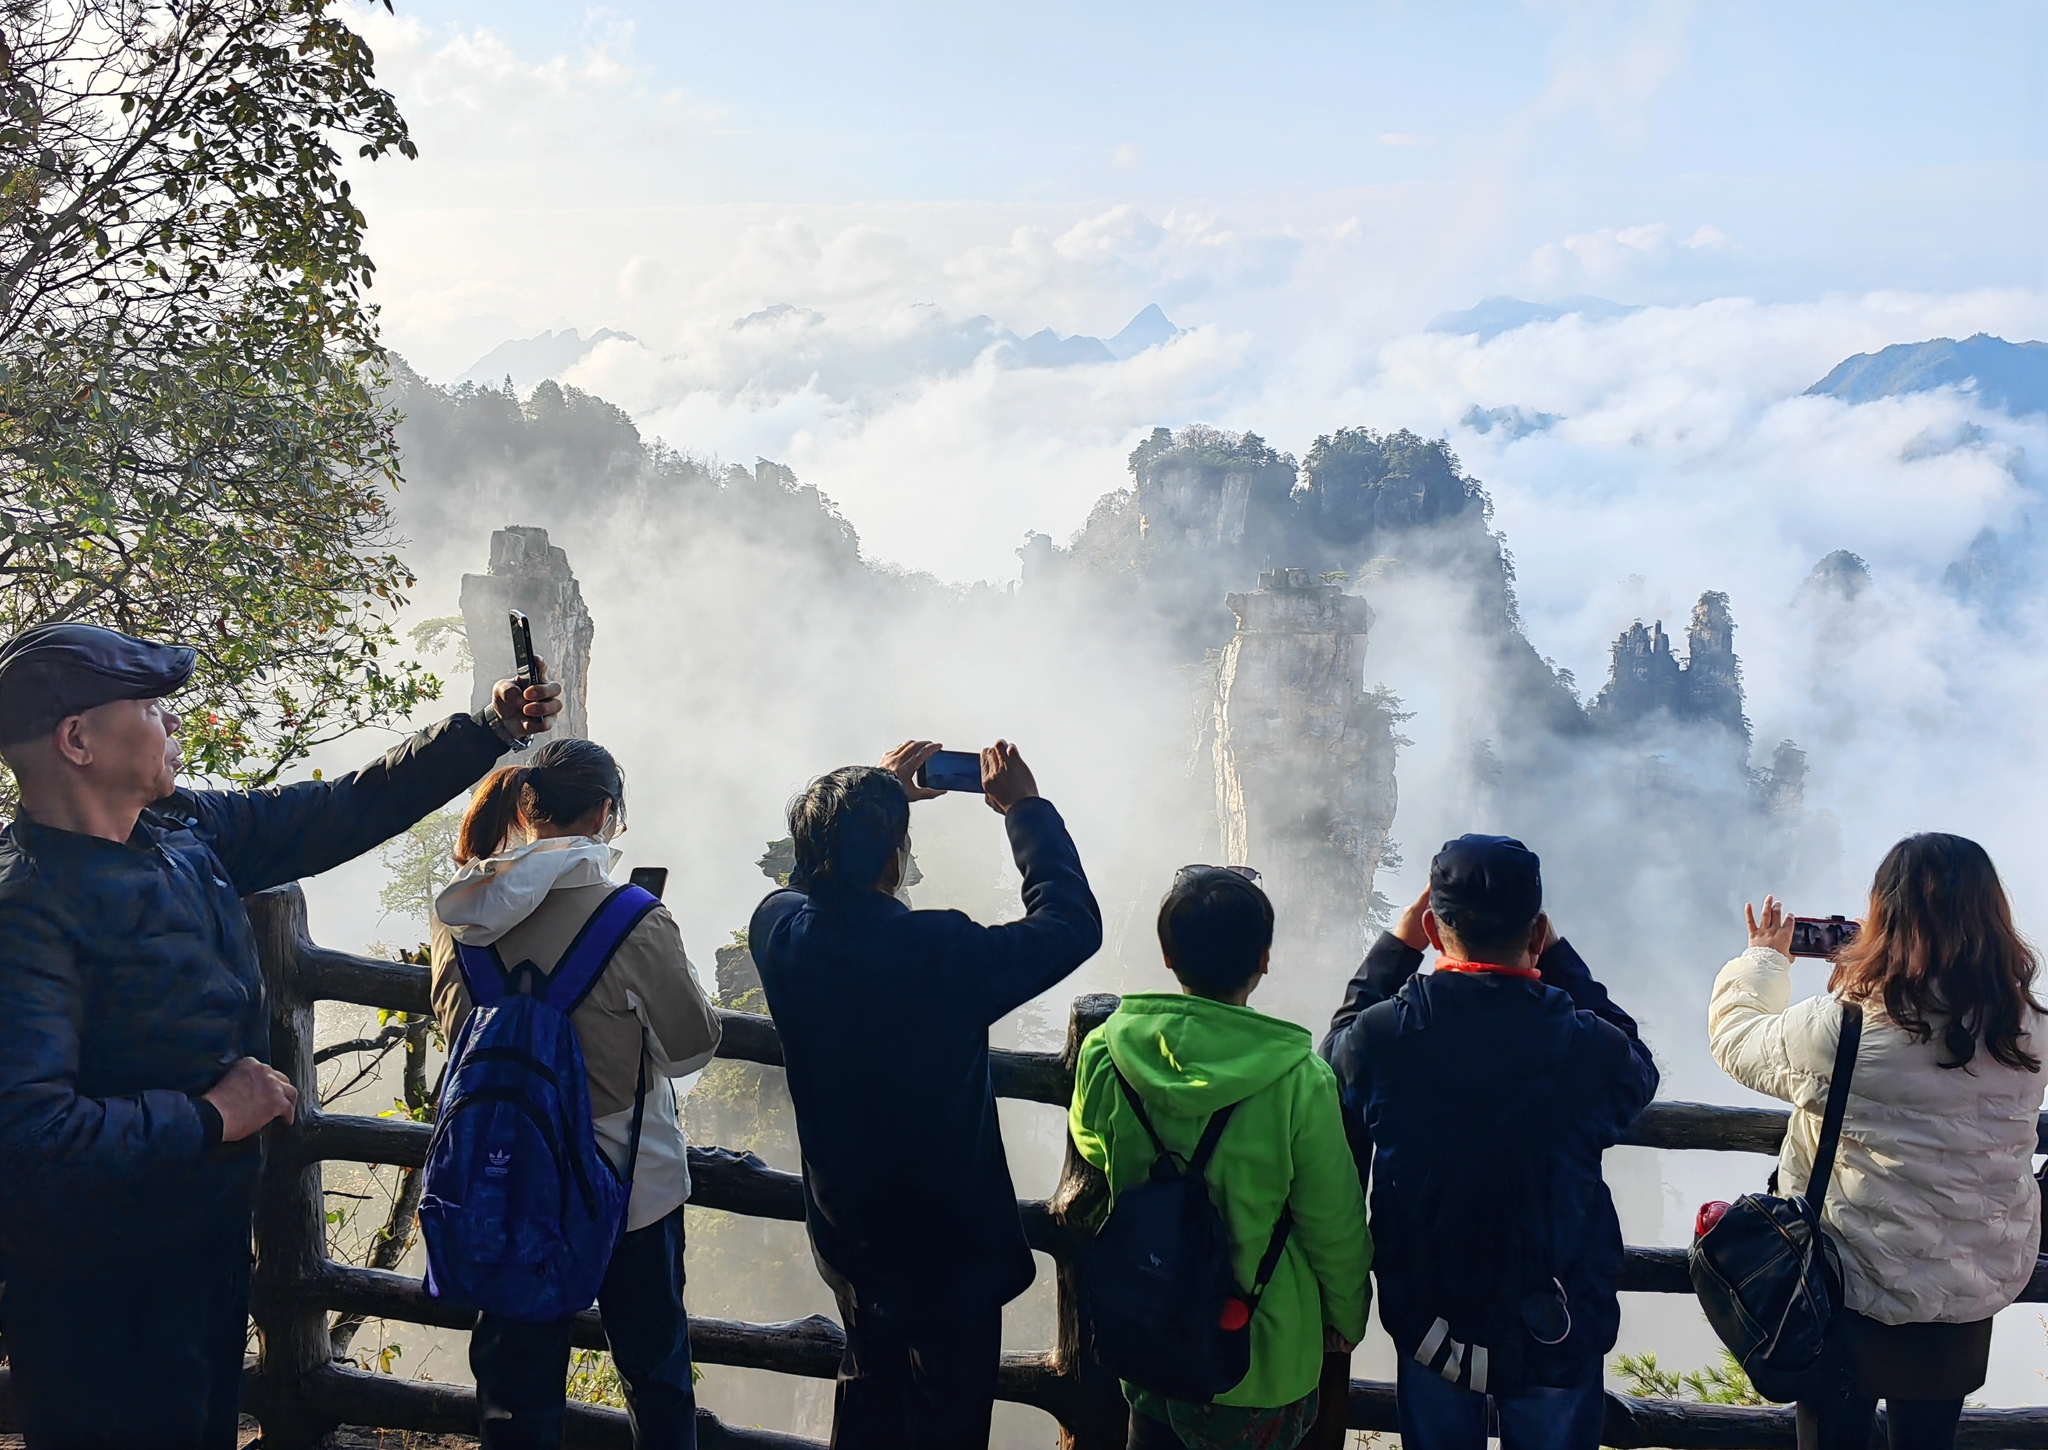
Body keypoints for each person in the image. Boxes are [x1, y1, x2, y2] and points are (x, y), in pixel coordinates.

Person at [0, 620, 561, 1450]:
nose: (171, 722)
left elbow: (338, 811)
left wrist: (485, 731)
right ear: (78, 740)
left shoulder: (182, 836)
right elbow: (27, 1134)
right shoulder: (28, 911)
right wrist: (213, 1116)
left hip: (201, 1251)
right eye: (151, 708)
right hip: (96, 1290)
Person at [750, 739, 1102, 1450]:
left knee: (870, 1391)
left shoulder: (782, 936)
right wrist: (1025, 811)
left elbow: (794, 886)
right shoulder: (939, 951)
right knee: (951, 1415)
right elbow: (1071, 925)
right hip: (950, 1248)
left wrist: (871, 797)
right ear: (894, 860)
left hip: (851, 1233)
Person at [430, 737, 722, 1450]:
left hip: (503, 1185)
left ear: (526, 808)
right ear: (604, 813)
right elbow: (689, 1047)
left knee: (514, 1393)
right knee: (655, 1375)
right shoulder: (633, 918)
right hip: (628, 1187)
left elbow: (456, 1035)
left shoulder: (458, 917)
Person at [1320, 835, 1657, 1450]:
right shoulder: (1583, 1045)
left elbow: (1334, 1053)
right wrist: (1557, 957)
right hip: (1557, 1325)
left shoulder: (1386, 1037)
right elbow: (1635, 1060)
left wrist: (1397, 949)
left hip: (1432, 1325)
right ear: (1537, 931)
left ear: (1431, 924)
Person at [1709, 835, 2044, 1450]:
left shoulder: (1847, 1029)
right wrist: (1871, 978)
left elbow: (1737, 1039)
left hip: (1850, 1283)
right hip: (1965, 1290)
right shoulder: (2030, 1031)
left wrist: (1765, 959)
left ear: (1886, 918)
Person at [1069, 866, 1373, 1450]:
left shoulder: (1107, 1051)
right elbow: (1332, 1223)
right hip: (1261, 1354)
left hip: (1151, 1332)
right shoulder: (1298, 1082)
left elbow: (1091, 1142)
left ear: (1167, 956)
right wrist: (1346, 1318)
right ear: (1264, 959)